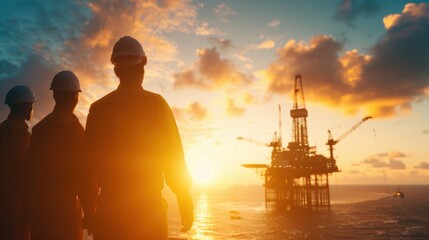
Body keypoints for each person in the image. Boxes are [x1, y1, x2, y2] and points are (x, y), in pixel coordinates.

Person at [81, 36, 194, 240]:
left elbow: (87, 168)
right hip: (149, 215)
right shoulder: (156, 105)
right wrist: (184, 198)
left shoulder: (98, 110)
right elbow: (173, 157)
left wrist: (89, 212)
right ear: (143, 66)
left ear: (116, 70)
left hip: (110, 214)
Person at [26, 71, 84, 240]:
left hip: (40, 210)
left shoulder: (38, 129)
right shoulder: (75, 129)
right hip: (67, 210)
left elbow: (29, 171)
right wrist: (91, 209)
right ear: (75, 96)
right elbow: (83, 173)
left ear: (55, 95)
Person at [0, 85, 35, 240]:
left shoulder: (2, 129)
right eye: (31, 104)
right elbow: (24, 173)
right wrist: (28, 206)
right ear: (26, 106)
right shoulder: (22, 134)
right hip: (14, 204)